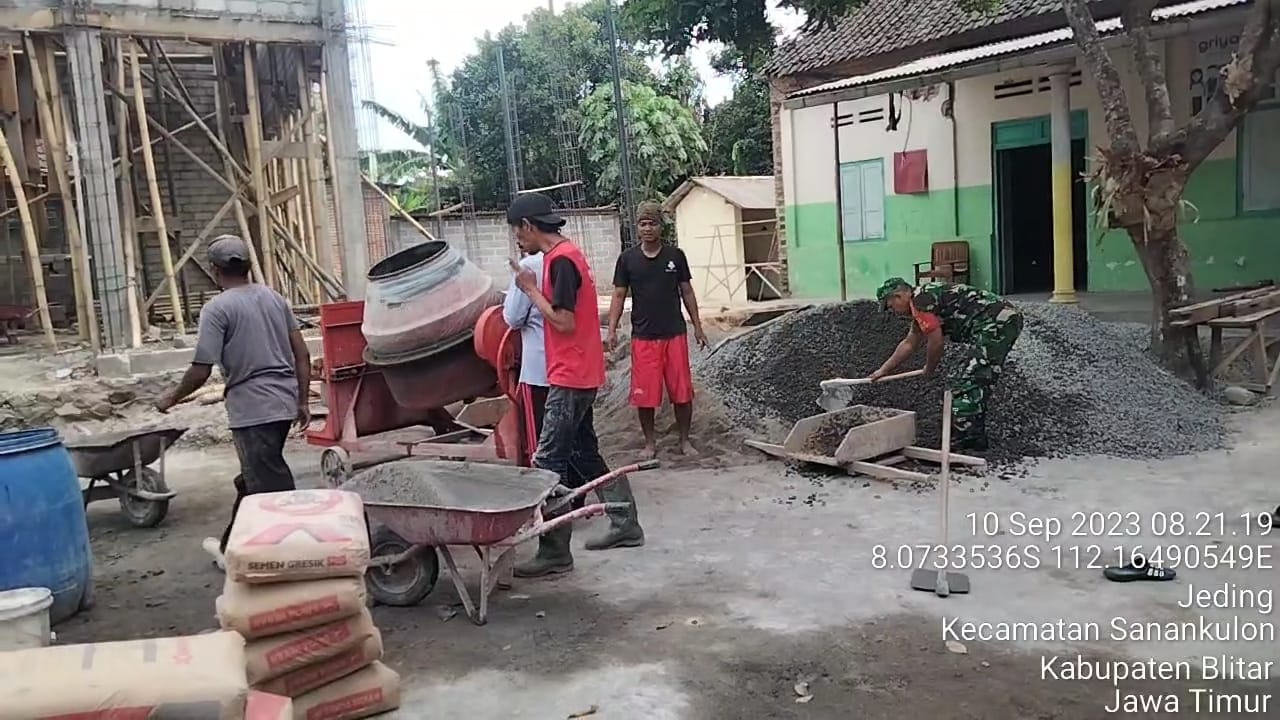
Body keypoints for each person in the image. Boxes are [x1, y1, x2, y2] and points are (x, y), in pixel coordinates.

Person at [506, 192, 644, 577]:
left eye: (517, 231)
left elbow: (563, 322)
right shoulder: (567, 255)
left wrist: (529, 289)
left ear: (529, 226)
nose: (517, 239)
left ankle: (554, 552)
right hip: (580, 371)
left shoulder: (561, 262)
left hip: (570, 374)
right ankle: (626, 523)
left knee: (548, 461)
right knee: (584, 454)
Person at [155, 235, 311, 567]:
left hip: (252, 409)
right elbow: (302, 354)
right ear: (249, 266)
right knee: (256, 476)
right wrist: (302, 401)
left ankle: (296, 554)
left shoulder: (217, 309)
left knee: (271, 485)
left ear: (215, 270)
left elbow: (201, 370)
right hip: (282, 403)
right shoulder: (274, 299)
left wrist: (171, 397)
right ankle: (230, 549)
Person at [871, 277, 1022, 452]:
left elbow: (936, 342)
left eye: (890, 306)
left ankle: (966, 439)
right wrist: (883, 370)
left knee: (967, 382)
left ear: (898, 296)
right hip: (996, 322)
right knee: (975, 379)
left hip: (996, 323)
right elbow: (909, 343)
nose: (894, 312)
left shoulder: (922, 300)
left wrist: (930, 368)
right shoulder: (923, 301)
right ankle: (974, 438)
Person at [606, 201, 708, 457]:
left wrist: (698, 326)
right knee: (645, 395)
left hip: (675, 333)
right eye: (643, 224)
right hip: (643, 337)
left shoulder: (675, 256)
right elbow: (618, 295)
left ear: (661, 226)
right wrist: (612, 329)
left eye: (652, 223)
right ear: (637, 227)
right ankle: (650, 443)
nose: (648, 228)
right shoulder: (627, 260)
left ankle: (684, 440)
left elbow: (687, 292)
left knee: (682, 393)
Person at [502, 240, 548, 453]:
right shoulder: (570, 259)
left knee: (540, 438)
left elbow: (513, 317)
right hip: (571, 369)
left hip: (538, 370)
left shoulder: (527, 268)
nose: (517, 239)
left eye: (519, 231)